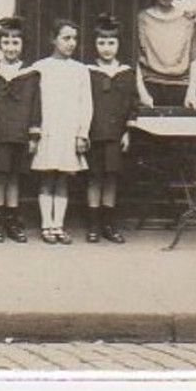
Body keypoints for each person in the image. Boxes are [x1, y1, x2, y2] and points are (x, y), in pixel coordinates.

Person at [29, 19, 93, 244]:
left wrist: (81, 133)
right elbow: (33, 102)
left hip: (69, 130)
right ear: (53, 40)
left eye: (74, 38)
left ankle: (59, 225)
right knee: (47, 177)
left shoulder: (80, 70)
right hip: (48, 130)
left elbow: (86, 104)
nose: (71, 43)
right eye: (66, 38)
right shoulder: (39, 68)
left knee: (63, 178)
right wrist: (34, 132)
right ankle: (46, 224)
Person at [85, 14, 141, 244]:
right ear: (95, 45)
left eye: (111, 43)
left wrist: (128, 131)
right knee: (94, 178)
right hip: (94, 133)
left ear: (118, 45)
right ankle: (93, 224)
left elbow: (132, 103)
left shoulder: (126, 73)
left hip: (116, 135)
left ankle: (108, 223)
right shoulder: (88, 72)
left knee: (111, 178)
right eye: (101, 43)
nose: (106, 48)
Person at [0, 16, 39, 243]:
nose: (10, 47)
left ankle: (12, 220)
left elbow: (36, 103)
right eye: (6, 42)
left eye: (15, 42)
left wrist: (34, 133)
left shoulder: (31, 74)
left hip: (20, 132)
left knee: (14, 177)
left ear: (22, 45)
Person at [136, 0, 196, 108]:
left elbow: (195, 59)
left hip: (181, 85)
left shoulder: (187, 20)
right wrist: (143, 94)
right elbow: (134, 60)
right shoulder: (142, 19)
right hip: (150, 84)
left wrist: (191, 93)